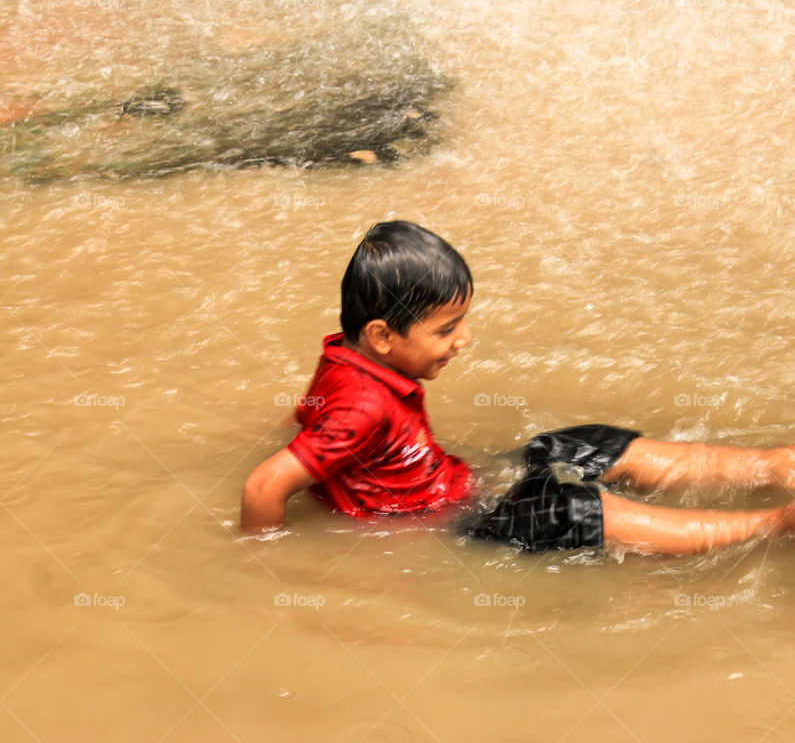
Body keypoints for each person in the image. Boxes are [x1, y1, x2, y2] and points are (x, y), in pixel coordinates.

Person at [240, 220, 795, 555]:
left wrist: (289, 433)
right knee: (575, 511)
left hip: (462, 484)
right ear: (382, 336)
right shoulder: (360, 404)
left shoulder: (345, 351)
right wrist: (264, 564)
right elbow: (264, 487)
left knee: (581, 443)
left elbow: (314, 412)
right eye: (446, 329)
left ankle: (774, 468)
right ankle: (768, 526)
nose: (464, 340)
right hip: (448, 520)